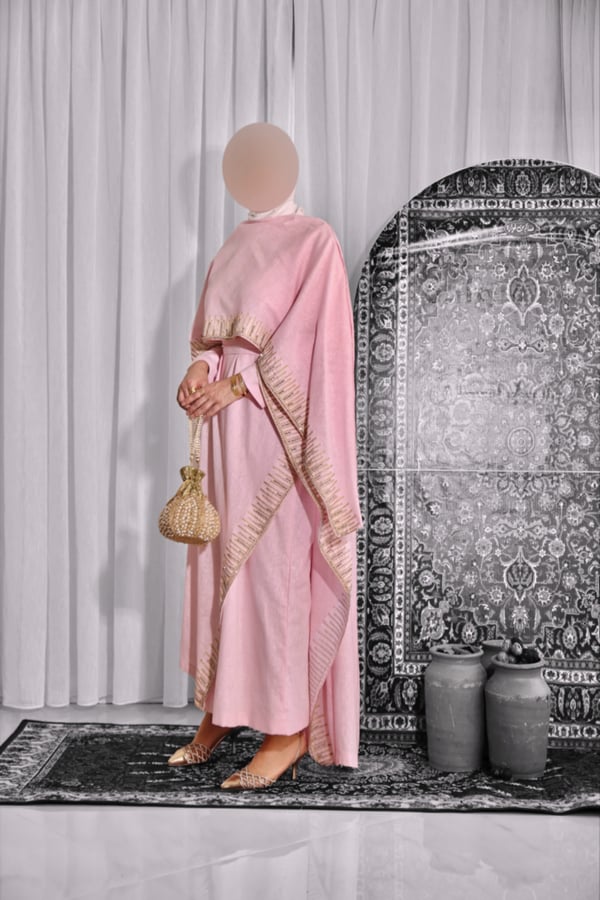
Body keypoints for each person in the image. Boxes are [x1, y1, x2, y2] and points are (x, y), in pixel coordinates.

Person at [168, 123, 362, 789]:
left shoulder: (315, 240)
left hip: (278, 433)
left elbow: (310, 342)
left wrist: (235, 384)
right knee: (227, 565)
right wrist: (199, 370)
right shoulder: (233, 244)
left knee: (274, 572)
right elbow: (212, 336)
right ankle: (223, 710)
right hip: (225, 434)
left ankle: (286, 731)